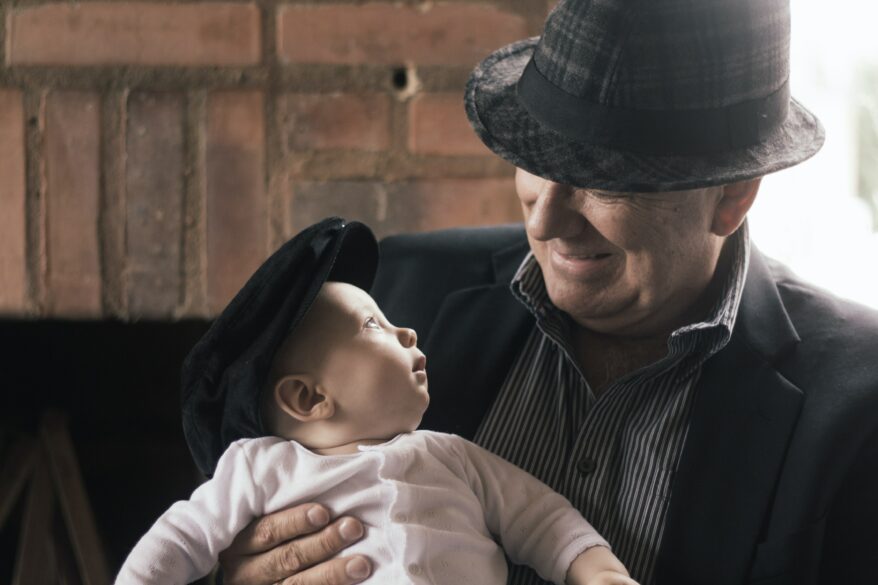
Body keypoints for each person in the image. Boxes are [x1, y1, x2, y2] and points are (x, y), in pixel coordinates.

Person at [217, 0, 878, 583]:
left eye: (602, 179)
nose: (543, 220)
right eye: (538, 159)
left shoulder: (856, 399)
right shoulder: (395, 289)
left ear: (732, 196)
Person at [116, 219, 639, 585]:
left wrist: (600, 571)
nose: (407, 331)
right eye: (375, 325)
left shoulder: (452, 456)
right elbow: (182, 538)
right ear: (308, 396)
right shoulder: (259, 470)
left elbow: (541, 518)